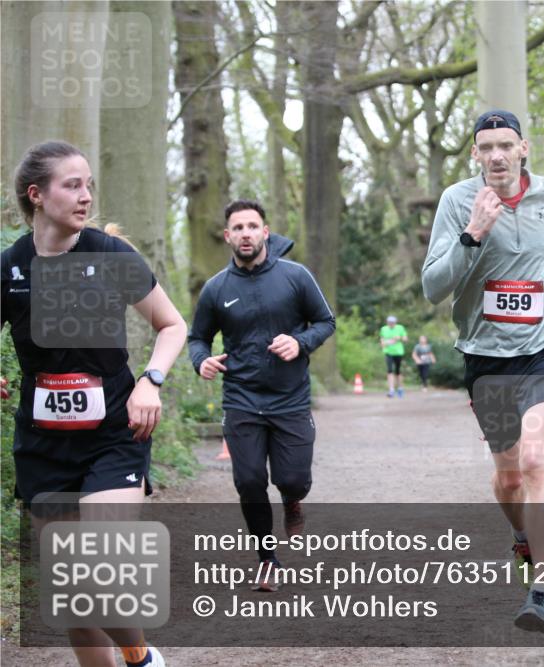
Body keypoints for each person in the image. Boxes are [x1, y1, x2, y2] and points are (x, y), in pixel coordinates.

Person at [1, 141, 186, 666]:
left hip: (113, 434)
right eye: (72, 185)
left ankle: (139, 655)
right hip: (41, 444)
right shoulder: (10, 268)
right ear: (37, 195)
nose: (86, 196)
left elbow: (172, 325)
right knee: (74, 604)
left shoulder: (109, 255)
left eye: (89, 185)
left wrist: (151, 380)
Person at [421, 110, 544, 634]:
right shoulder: (457, 202)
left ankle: (541, 591)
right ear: (475, 154)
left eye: (506, 145)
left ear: (524, 149)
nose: (496, 155)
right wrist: (473, 233)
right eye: (486, 147)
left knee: (538, 457)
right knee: (509, 475)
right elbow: (433, 286)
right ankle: (521, 535)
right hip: (485, 356)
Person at [188, 199, 335, 591]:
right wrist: (200, 361)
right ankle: (267, 558)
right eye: (238, 228)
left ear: (265, 232)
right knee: (249, 480)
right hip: (241, 398)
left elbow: (325, 321)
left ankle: (292, 500)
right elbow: (197, 338)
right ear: (227, 236)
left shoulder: (296, 276)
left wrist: (300, 343)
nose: (246, 234)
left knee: (294, 478)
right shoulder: (216, 288)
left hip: (290, 398)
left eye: (253, 226)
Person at [379, 315, 408, 397]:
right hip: (388, 352)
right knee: (389, 370)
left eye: (392, 322)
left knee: (398, 371)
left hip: (398, 352)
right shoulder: (383, 329)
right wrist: (387, 342)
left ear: (395, 322)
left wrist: (400, 338)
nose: (391, 324)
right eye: (389, 322)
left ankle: (400, 388)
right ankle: (391, 389)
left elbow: (405, 339)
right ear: (387, 322)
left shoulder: (400, 328)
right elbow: (382, 342)